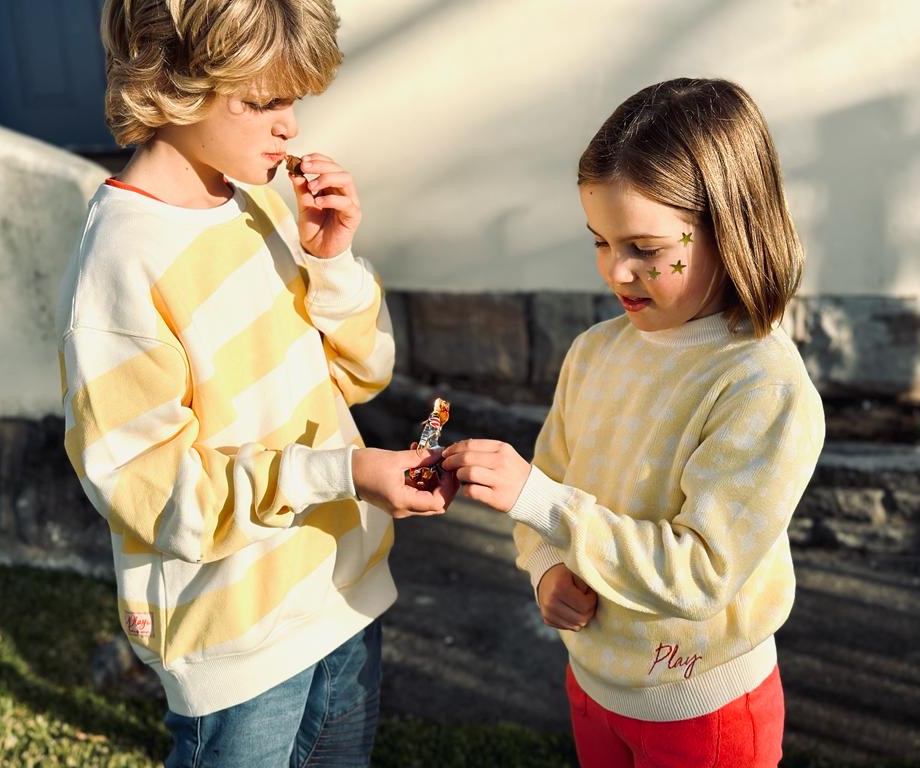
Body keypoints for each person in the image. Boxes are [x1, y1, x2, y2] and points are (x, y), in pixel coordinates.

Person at [55, 1, 454, 765]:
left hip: (339, 593)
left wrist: (331, 260)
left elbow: (363, 374)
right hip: (235, 639)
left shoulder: (259, 199)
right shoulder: (119, 268)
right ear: (172, 81)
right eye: (263, 101)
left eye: (292, 99)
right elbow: (163, 496)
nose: (290, 127)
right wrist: (345, 473)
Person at [441, 78, 825, 768]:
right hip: (593, 685)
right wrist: (548, 568)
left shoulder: (760, 383)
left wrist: (546, 507)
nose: (616, 271)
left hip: (704, 710)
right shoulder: (595, 352)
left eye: (645, 249)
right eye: (600, 241)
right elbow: (550, 492)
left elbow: (702, 572)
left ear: (731, 228)